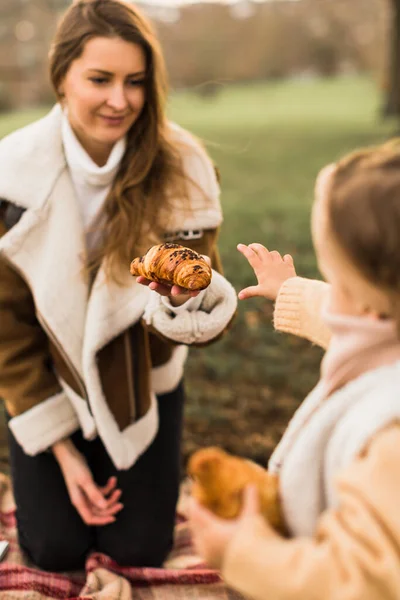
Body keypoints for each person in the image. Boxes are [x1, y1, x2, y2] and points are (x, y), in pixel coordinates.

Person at [0, 0, 237, 572]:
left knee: (139, 549)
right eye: (99, 79)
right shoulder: (10, 173)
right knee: (54, 549)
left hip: (141, 385)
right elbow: (5, 326)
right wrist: (62, 449)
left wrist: (179, 303)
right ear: (62, 79)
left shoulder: (184, 166)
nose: (120, 100)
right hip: (50, 381)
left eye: (135, 81)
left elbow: (196, 308)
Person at [189, 142, 400, 600]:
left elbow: (358, 581)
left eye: (336, 277)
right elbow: (346, 320)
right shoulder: (384, 322)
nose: (331, 291)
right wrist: (291, 290)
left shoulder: (390, 438)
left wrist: (242, 551)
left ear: (367, 298)